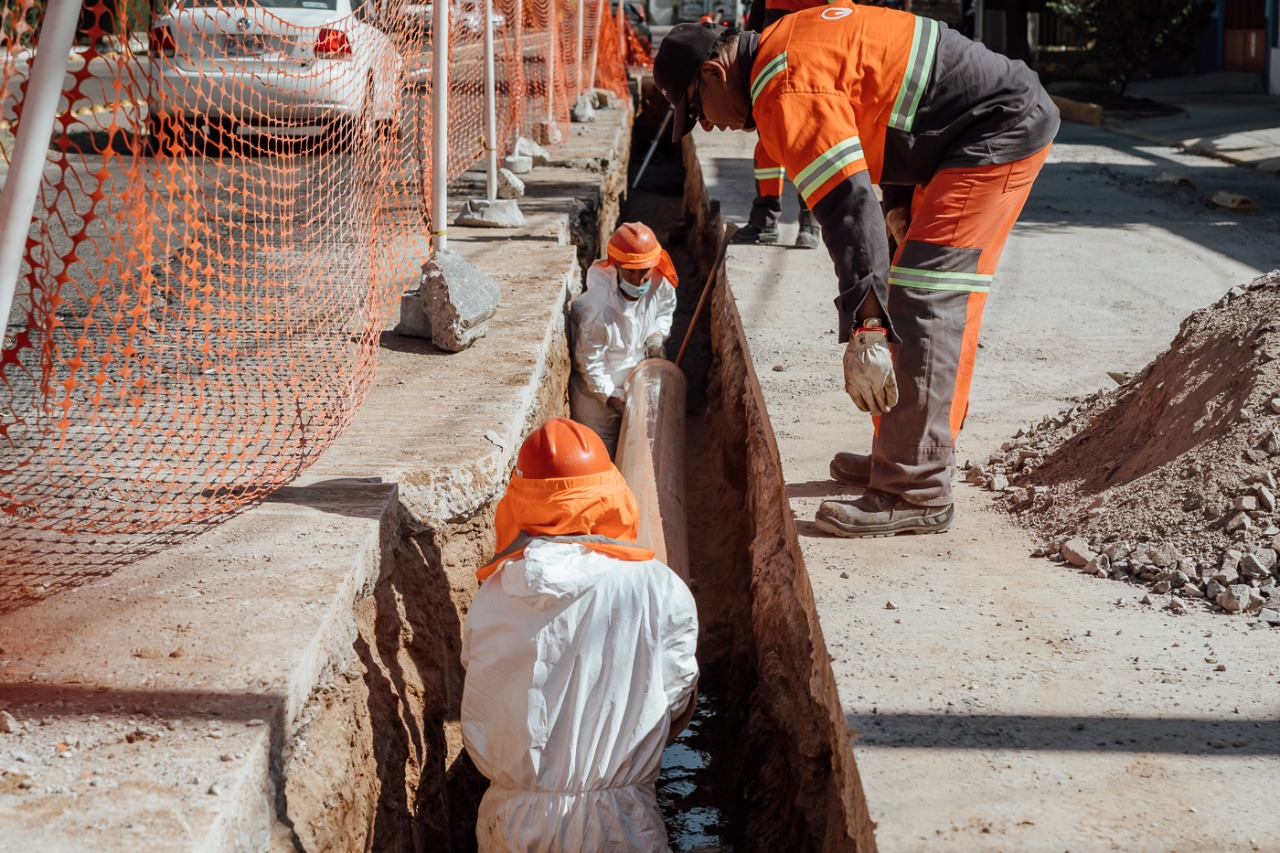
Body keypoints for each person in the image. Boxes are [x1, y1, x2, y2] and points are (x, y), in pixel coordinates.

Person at [652, 10, 1059, 537]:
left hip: (995, 127)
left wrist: (866, 328)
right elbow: (886, 103)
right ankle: (904, 449)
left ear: (714, 75)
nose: (709, 125)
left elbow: (847, 208)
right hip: (958, 133)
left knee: (923, 297)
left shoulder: (784, 88)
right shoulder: (784, 46)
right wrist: (897, 201)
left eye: (699, 112)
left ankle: (916, 486)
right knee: (911, 289)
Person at [461, 417, 699, 852]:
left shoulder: (493, 595)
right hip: (622, 825)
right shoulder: (657, 587)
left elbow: (480, 689)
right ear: (609, 495)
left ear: (519, 502)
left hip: (511, 822)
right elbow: (678, 695)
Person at [569, 222, 679, 456]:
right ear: (617, 265)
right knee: (600, 455)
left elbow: (665, 310)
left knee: (644, 454)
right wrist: (614, 399)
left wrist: (656, 336)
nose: (639, 279)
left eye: (644, 271)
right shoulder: (597, 308)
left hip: (638, 380)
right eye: (631, 271)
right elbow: (590, 362)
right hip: (596, 397)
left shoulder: (660, 283)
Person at [732, 0, 827, 248]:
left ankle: (810, 220)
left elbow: (845, 17)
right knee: (768, 146)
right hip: (773, 61)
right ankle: (764, 221)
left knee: (808, 145)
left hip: (815, 63)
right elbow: (756, 18)